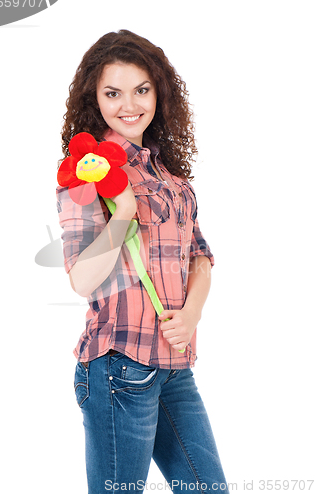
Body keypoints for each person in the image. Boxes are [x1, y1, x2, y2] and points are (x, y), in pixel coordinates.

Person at [56, 30, 229, 494]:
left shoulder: (170, 177)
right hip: (119, 368)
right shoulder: (84, 173)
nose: (128, 104)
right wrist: (124, 213)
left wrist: (191, 315)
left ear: (159, 92)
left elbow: (201, 257)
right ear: (95, 98)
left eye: (141, 90)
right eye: (113, 93)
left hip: (176, 367)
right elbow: (83, 279)